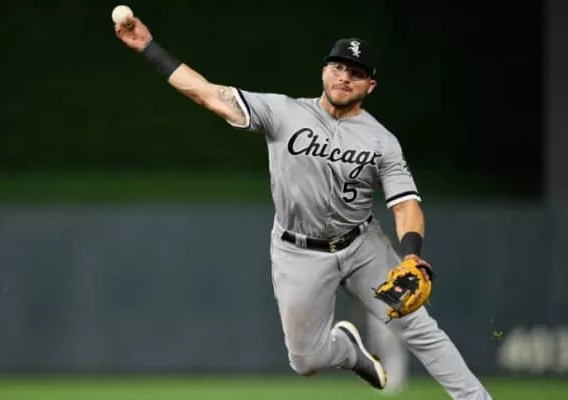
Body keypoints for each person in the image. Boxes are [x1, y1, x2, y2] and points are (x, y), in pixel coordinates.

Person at [114, 15, 493, 400]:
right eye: (339, 67)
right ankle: (350, 353)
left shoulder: (383, 142)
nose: (345, 77)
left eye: (357, 73)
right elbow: (207, 94)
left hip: (361, 245)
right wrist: (149, 47)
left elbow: (405, 203)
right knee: (306, 361)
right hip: (298, 251)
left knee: (420, 329)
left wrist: (411, 255)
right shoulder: (283, 112)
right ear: (324, 70)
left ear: (370, 85)